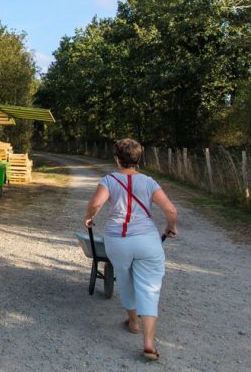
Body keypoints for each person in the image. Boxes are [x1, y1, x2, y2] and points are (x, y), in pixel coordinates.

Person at [84, 138, 178, 361]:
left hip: (118, 240)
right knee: (149, 287)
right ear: (138, 159)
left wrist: (89, 218)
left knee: (125, 278)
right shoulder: (149, 182)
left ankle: (133, 322)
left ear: (117, 159)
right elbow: (171, 209)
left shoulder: (109, 180)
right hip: (146, 239)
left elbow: (96, 204)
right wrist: (171, 227)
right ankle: (148, 342)